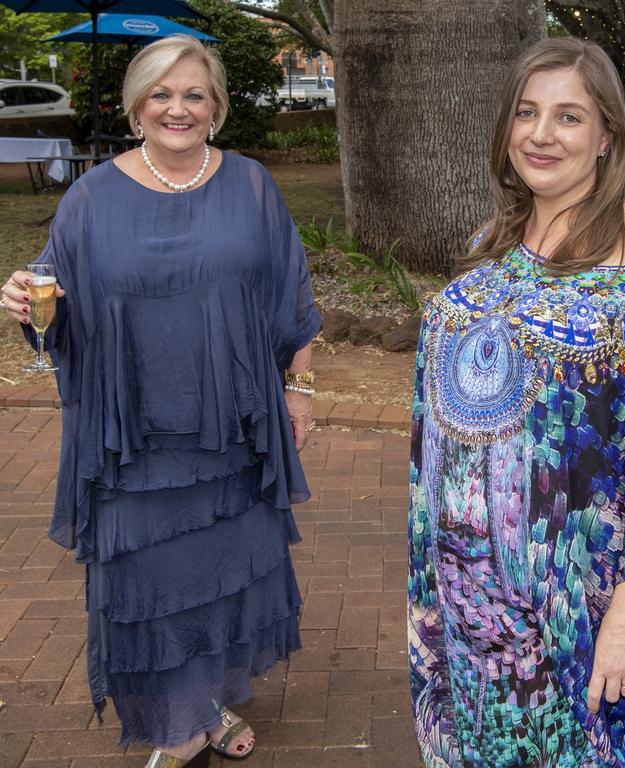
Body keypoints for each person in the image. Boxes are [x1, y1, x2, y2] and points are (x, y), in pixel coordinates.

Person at [1, 35, 320, 766]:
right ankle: (178, 725)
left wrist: (298, 389)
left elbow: (289, 293)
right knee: (148, 576)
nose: (178, 108)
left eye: (194, 94)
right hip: (134, 435)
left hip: (233, 426)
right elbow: (55, 300)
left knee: (221, 564)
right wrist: (25, 298)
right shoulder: (89, 199)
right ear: (136, 105)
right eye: (161, 94)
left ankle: (207, 700)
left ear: (216, 107)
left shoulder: (249, 184)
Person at [407, 37, 625, 768]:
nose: (541, 134)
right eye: (527, 112)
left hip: (579, 608)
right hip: (468, 595)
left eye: (569, 117)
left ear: (608, 134)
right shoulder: (501, 236)